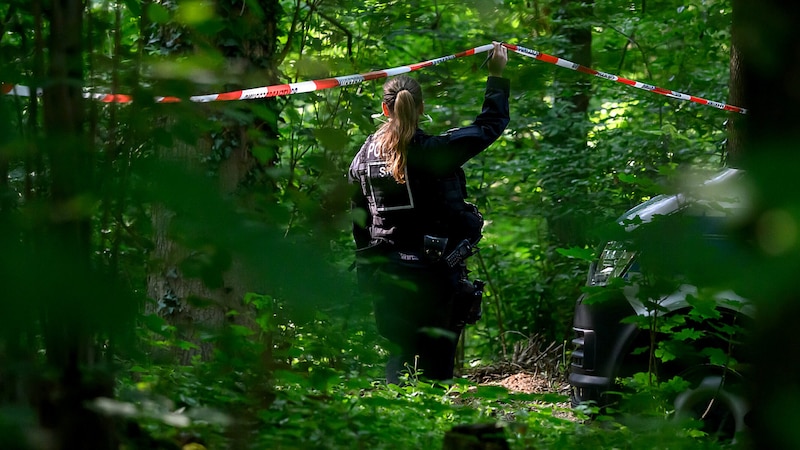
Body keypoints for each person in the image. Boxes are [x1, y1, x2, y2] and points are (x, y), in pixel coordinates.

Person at [349, 42, 510, 384]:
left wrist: (366, 274)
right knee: (435, 370)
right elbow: (490, 124)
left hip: (387, 277)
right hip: (437, 277)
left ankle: (394, 426)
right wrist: (496, 75)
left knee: (401, 357)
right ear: (421, 108)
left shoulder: (362, 160)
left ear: (384, 108)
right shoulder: (435, 153)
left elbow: (359, 223)